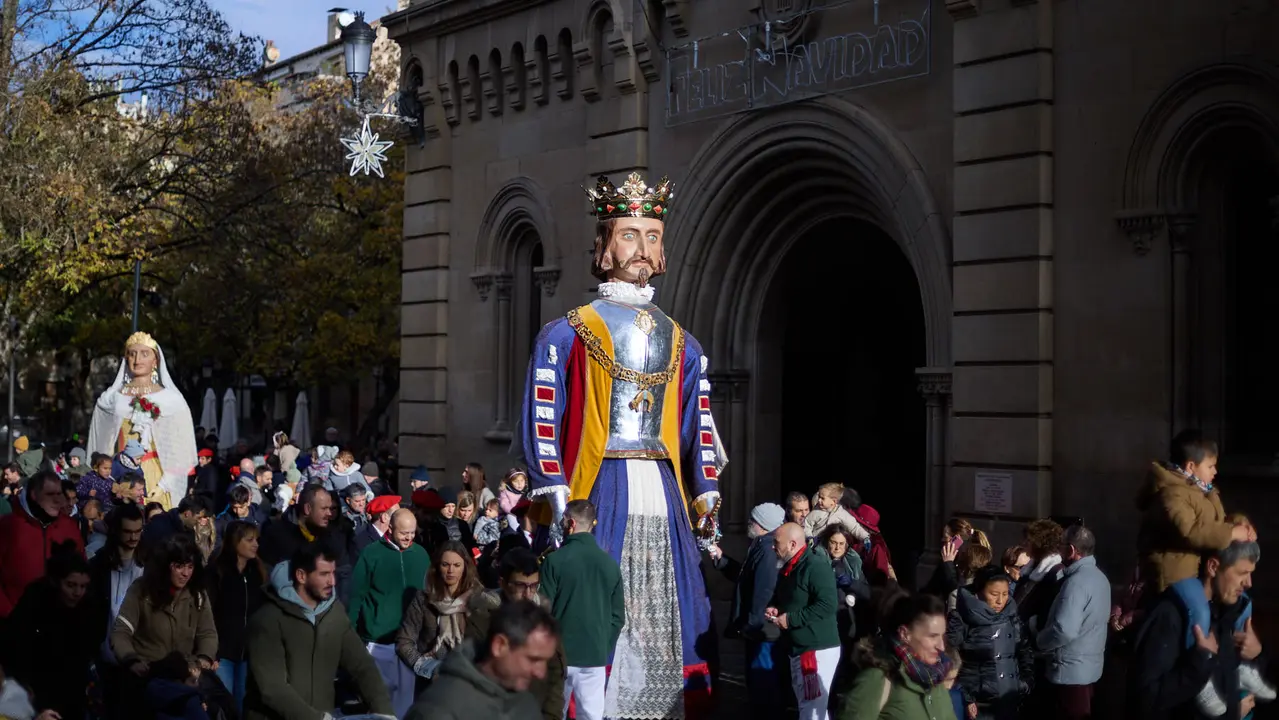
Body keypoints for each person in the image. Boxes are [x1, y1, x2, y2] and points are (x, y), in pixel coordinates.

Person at [518, 171, 727, 718]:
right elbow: (543, 415)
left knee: (671, 601)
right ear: (604, 245)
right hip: (600, 482)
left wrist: (704, 486)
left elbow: (698, 423)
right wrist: (553, 485)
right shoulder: (566, 332)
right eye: (630, 235)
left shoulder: (683, 342)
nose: (642, 249)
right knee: (597, 599)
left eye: (652, 236)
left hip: (662, 483)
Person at [244, 545, 394, 720]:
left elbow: (362, 666)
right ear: (301, 576)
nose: (332, 582)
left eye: (333, 573)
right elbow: (272, 687)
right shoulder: (268, 620)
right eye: (324, 574)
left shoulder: (334, 613)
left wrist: (385, 714)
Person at [1130, 541, 1265, 720]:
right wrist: (1199, 662)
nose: (1249, 583)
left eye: (1251, 573)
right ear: (1213, 567)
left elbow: (1230, 678)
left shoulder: (1232, 613)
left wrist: (1256, 654)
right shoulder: (1171, 614)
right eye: (1242, 573)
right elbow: (1146, 698)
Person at [87, 332, 197, 510]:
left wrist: (165, 484)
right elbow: (104, 442)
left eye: (144, 354)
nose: (137, 360)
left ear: (155, 361)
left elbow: (179, 451)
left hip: (155, 475)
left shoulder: (171, 399)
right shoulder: (113, 397)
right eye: (132, 354)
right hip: (119, 473)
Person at [1137, 430, 1253, 594]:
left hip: (1201, 574)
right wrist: (1232, 533)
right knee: (1198, 608)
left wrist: (1239, 524)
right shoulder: (1171, 494)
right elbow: (1190, 531)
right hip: (1175, 579)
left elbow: (1215, 523)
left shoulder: (1202, 490)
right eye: (1210, 466)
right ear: (1191, 466)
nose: (1215, 471)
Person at [539, 500, 625, 720]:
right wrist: (602, 644)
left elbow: (542, 611)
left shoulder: (554, 561)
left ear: (571, 523)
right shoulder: (609, 564)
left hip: (558, 654)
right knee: (591, 716)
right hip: (594, 653)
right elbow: (618, 617)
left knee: (552, 713)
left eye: (563, 521)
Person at [405, 600, 558, 720]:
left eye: (545, 661)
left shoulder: (527, 704)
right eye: (533, 659)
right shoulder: (438, 710)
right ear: (499, 646)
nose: (540, 673)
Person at [466, 548, 567, 720]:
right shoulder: (482, 620)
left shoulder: (544, 623)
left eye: (533, 586)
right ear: (503, 583)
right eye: (520, 586)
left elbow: (555, 678)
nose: (528, 594)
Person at [708, 502, 786, 720]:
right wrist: (722, 559)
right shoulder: (759, 545)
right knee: (756, 686)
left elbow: (763, 591)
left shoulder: (768, 550)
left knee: (764, 687)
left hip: (763, 631)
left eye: (753, 520)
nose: (749, 523)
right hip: (758, 629)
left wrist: (752, 624)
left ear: (763, 524)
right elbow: (745, 577)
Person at [349, 509, 431, 718]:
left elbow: (429, 593)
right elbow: (356, 594)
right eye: (404, 533)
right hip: (378, 641)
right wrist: (351, 633)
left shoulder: (421, 554)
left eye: (412, 533)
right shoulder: (371, 553)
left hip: (410, 642)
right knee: (379, 703)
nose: (409, 538)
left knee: (405, 705)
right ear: (390, 528)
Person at [1, 547, 99, 720]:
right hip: (36, 686)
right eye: (71, 585)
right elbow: (15, 644)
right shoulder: (35, 601)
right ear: (56, 581)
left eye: (83, 586)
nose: (77, 593)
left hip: (73, 688)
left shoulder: (87, 606)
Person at [1035, 525, 1112, 720]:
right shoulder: (1100, 577)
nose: (1058, 551)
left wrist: (1040, 641)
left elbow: (1064, 630)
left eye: (1061, 546)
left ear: (1071, 550)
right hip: (1089, 668)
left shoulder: (1076, 582)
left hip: (1068, 673)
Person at [111, 533, 217, 672]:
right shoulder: (142, 590)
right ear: (165, 566)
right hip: (148, 672)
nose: (186, 573)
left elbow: (207, 633)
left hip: (185, 673)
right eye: (179, 566)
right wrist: (132, 661)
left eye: (190, 567)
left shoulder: (197, 594)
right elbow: (121, 633)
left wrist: (204, 658)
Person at [766, 522, 841, 720]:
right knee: (812, 708)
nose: (772, 547)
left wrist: (791, 619)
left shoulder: (815, 566)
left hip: (815, 650)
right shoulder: (789, 565)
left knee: (811, 710)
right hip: (799, 647)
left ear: (792, 544)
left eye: (776, 542)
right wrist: (776, 607)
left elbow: (827, 604)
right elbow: (791, 597)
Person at [841, 593, 956, 720]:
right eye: (932, 636)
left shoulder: (935, 679)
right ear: (905, 634)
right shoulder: (877, 679)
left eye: (942, 636)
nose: (941, 647)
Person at [946, 566, 1032, 720]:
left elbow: (1024, 651)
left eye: (1005, 594)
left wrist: (1025, 684)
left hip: (1010, 698)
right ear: (979, 592)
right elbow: (952, 659)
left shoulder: (1012, 617)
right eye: (994, 594)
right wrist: (966, 697)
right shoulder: (962, 618)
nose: (1000, 601)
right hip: (980, 705)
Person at [88, 502, 146, 718]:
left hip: (140, 657)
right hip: (105, 657)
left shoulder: (149, 565)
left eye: (138, 531)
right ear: (116, 531)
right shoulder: (99, 565)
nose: (133, 537)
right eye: (128, 532)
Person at [397, 540, 484, 682]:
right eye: (445, 565)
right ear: (437, 566)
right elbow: (404, 642)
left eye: (457, 565)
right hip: (430, 679)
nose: (451, 571)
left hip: (469, 678)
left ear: (465, 567)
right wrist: (429, 668)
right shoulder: (423, 598)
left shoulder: (478, 598)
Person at [0, 470, 83, 618]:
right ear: (34, 495)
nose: (57, 500)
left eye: (59, 494)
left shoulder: (69, 527)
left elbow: (82, 573)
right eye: (50, 494)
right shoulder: (7, 526)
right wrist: (9, 615)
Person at [206, 520, 268, 712]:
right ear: (235, 541)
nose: (255, 544)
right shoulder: (217, 572)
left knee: (242, 706)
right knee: (224, 705)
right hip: (221, 652)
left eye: (256, 540)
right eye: (249, 540)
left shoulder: (257, 572)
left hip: (248, 653)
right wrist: (210, 651)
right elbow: (207, 613)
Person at [140, 494, 212, 561]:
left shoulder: (191, 531)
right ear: (187, 514)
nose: (200, 521)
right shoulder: (157, 525)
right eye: (198, 518)